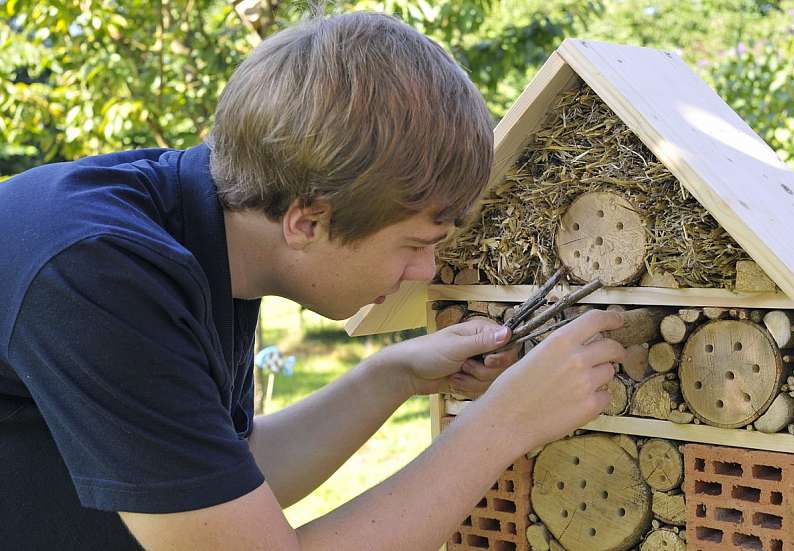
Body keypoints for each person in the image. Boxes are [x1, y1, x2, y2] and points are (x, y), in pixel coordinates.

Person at [0, 11, 624, 550]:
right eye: (414, 245)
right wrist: (505, 423)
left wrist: (395, 375)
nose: (425, 273)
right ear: (307, 220)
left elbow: (220, 479)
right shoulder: (98, 275)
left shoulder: (198, 231)